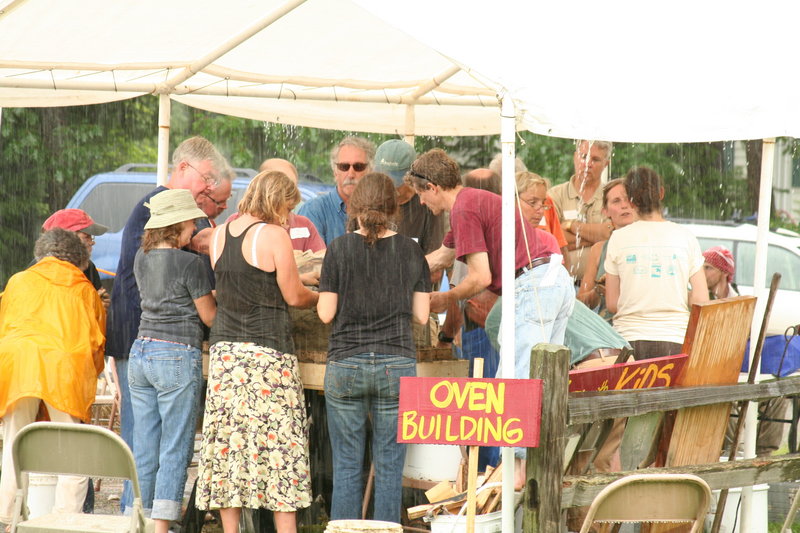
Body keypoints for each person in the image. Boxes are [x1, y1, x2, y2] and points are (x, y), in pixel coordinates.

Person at [409, 149, 573, 488]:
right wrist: (398, 269)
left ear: (433, 187)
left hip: (532, 285)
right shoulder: (472, 201)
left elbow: (480, 277)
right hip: (551, 279)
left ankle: (515, 473)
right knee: (541, 382)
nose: (422, 204)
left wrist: (446, 296)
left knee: (513, 382)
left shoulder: (465, 208)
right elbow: (443, 255)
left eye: (421, 194)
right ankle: (533, 469)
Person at [106, 135, 229, 511]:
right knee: (156, 442)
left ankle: (136, 516)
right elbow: (143, 288)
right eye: (206, 179)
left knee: (146, 442)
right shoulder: (158, 207)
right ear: (182, 168)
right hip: (152, 340)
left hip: (142, 342)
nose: (207, 189)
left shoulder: (160, 223)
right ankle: (148, 517)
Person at [196, 171, 318, 533]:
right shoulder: (274, 235)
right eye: (288, 207)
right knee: (280, 446)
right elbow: (294, 295)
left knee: (230, 447)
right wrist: (322, 298)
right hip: (268, 356)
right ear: (276, 200)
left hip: (226, 357)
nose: (288, 216)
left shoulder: (219, 235)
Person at [317, 173, 431, 523]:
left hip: (346, 363)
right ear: (395, 206)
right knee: (389, 466)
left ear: (354, 206)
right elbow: (423, 316)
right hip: (395, 364)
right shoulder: (412, 251)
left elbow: (325, 314)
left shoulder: (338, 248)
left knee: (347, 464)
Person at [0, 229, 105, 526]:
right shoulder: (83, 288)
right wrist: (90, 379)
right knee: (72, 448)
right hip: (65, 369)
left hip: (17, 365)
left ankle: (7, 518)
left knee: (14, 444)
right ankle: (65, 521)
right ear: (78, 259)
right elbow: (97, 342)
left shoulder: (18, 281)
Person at [127, 189, 216, 533]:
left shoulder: (140, 257)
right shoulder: (190, 263)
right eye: (191, 222)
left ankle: (141, 519)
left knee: (146, 444)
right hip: (177, 353)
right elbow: (208, 317)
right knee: (176, 446)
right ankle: (163, 527)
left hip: (141, 351)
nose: (194, 229)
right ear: (177, 224)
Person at [604, 166, 708, 360]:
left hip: (628, 341)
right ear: (661, 193)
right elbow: (701, 301)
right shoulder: (686, 237)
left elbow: (612, 303)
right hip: (675, 339)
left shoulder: (618, 239)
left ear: (631, 200)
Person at [549, 140, 614, 282]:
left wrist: (570, 226)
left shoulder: (612, 196)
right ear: (574, 157)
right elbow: (551, 241)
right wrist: (597, 239)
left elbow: (610, 234)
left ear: (606, 164)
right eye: (584, 157)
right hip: (561, 284)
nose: (588, 164)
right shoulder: (554, 195)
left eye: (595, 159)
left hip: (601, 287)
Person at [297, 136, 375, 245]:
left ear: (370, 172)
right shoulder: (314, 211)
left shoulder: (380, 209)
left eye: (358, 166)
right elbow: (312, 260)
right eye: (344, 166)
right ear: (335, 172)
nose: (351, 174)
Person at [374, 139, 446, 255]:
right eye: (383, 180)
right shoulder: (368, 199)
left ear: (411, 176)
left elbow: (436, 262)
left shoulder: (428, 205)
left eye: (395, 182)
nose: (388, 188)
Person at [577, 178, 636, 317]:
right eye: (616, 201)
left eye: (629, 199)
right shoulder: (599, 250)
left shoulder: (652, 243)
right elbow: (580, 304)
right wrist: (598, 290)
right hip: (609, 330)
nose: (624, 205)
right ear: (605, 211)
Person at [41, 208, 110, 306]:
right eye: (87, 237)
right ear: (66, 239)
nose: (92, 242)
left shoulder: (89, 268)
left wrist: (100, 310)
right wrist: (90, 306)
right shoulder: (39, 272)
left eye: (92, 237)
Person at [259, 157, 326, 254]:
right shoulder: (239, 225)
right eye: (282, 187)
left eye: (293, 187)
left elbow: (320, 263)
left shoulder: (304, 225)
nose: (290, 194)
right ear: (261, 186)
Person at [515, 171, 571, 270]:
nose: (540, 210)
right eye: (532, 202)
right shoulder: (496, 238)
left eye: (543, 203)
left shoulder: (548, 240)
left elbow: (559, 278)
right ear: (512, 200)